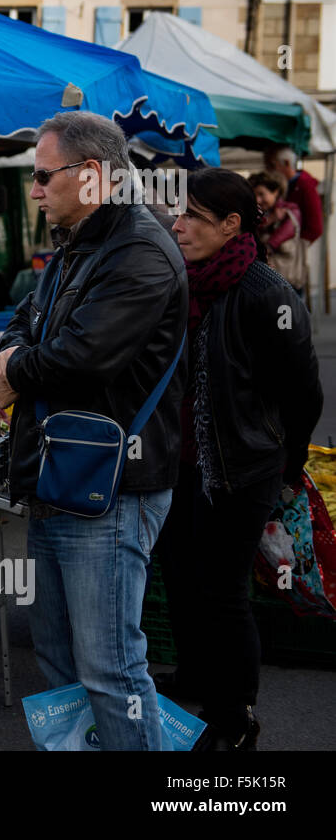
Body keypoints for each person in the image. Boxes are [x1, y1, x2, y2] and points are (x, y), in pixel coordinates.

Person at [0, 111, 187, 751]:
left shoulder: (140, 251)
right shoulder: (78, 241)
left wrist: (15, 373)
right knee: (60, 662)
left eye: (43, 176)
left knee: (111, 668)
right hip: (61, 478)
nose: (34, 190)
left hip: (113, 490)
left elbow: (82, 357)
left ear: (91, 175)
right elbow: (23, 325)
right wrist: (11, 357)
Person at [156, 169, 321, 751]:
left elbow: (304, 392)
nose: (178, 225)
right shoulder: (181, 280)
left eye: (194, 217)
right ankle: (197, 679)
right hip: (179, 463)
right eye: (179, 213)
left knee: (223, 591)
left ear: (231, 226)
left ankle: (234, 717)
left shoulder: (266, 294)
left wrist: (283, 458)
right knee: (180, 575)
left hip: (242, 468)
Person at [249, 170, 306, 292]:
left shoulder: (290, 211)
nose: (258, 200)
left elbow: (275, 241)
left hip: (288, 283)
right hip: (267, 283)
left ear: (275, 192)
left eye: (261, 194)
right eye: (255, 196)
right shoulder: (259, 215)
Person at [264, 145, 323, 245]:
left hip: (292, 247)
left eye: (273, 166)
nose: (271, 170)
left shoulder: (305, 186)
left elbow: (315, 228)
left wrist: (294, 244)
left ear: (286, 163)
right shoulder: (287, 185)